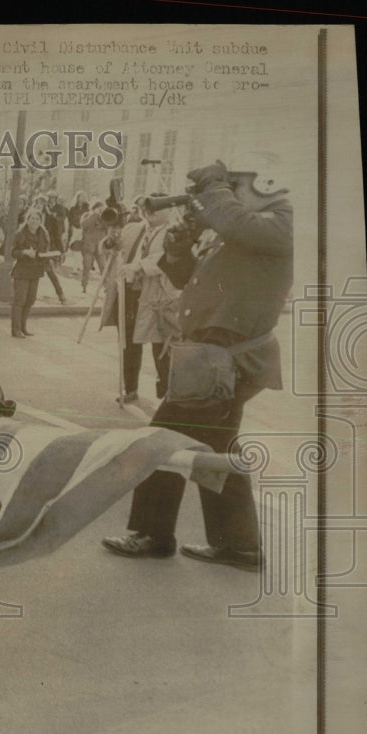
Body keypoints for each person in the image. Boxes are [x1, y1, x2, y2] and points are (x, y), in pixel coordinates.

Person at [101, 156, 293, 570]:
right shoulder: (242, 232)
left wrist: (214, 192)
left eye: (237, 185)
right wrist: (178, 249)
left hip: (227, 360)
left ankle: (153, 534)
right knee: (216, 448)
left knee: (164, 439)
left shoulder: (280, 220)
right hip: (215, 358)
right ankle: (239, 546)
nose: (233, 193)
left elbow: (238, 222)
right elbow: (193, 279)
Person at [113, 196, 179, 401]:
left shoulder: (174, 232)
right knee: (129, 342)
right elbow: (118, 246)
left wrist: (139, 266)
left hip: (158, 297)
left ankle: (167, 392)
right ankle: (130, 388)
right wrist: (111, 241)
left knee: (161, 344)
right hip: (132, 293)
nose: (150, 214)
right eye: (147, 210)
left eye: (155, 210)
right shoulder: (136, 228)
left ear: (167, 211)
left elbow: (166, 259)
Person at [9, 209, 50, 338]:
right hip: (22, 270)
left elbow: (44, 251)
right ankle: (16, 330)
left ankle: (23, 327)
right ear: (27, 219)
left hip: (36, 271)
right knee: (19, 300)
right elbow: (13, 252)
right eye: (32, 218)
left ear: (40, 221)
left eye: (37, 219)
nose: (34, 221)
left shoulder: (43, 234)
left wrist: (48, 256)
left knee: (30, 300)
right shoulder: (20, 233)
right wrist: (25, 252)